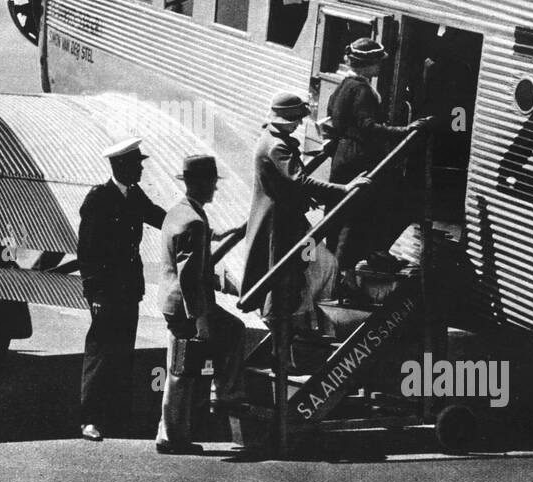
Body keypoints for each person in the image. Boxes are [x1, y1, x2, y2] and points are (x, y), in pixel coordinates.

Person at [240, 91, 363, 329]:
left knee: (315, 267)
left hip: (287, 219)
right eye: (296, 120)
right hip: (281, 225)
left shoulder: (270, 138)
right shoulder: (277, 146)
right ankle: (286, 340)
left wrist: (305, 197)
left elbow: (289, 183)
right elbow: (300, 180)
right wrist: (345, 188)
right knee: (287, 278)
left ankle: (303, 319)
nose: (298, 125)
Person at [156, 154, 246, 454]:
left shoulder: (180, 212)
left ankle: (171, 432)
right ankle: (176, 434)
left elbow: (195, 241)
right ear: (202, 183)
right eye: (212, 183)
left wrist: (224, 234)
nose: (215, 190)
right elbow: (190, 276)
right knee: (183, 369)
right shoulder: (194, 221)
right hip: (187, 308)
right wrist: (200, 319)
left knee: (178, 368)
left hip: (173, 304)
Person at [77, 138, 165, 441]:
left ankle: (116, 416)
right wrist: (94, 294)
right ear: (121, 166)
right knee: (100, 353)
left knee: (123, 352)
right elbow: (87, 253)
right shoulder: (99, 199)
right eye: (137, 164)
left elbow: (157, 216)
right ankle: (89, 419)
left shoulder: (133, 195)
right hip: (106, 292)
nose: (141, 168)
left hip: (129, 289)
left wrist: (190, 224)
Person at [324, 38, 431, 283]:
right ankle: (352, 268)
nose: (381, 67)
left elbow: (335, 119)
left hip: (343, 156)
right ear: (367, 64)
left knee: (348, 214)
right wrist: (405, 131)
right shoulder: (362, 90)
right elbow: (368, 126)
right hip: (361, 158)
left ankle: (350, 266)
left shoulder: (344, 85)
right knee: (396, 205)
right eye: (377, 63)